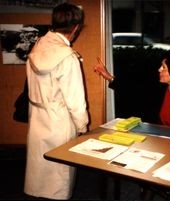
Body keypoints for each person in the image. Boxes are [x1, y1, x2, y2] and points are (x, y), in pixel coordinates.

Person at [24, 3, 89, 200]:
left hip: (37, 114)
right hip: (59, 119)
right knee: (59, 169)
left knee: (39, 165)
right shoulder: (67, 57)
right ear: (76, 28)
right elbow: (75, 100)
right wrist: (82, 125)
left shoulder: (38, 46)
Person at [94, 50, 170, 132]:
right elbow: (132, 90)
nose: (159, 69)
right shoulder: (157, 90)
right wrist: (109, 76)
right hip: (159, 141)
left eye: (164, 67)